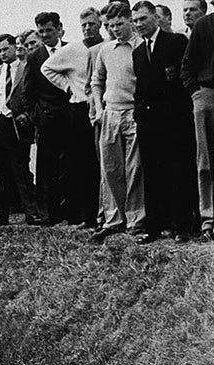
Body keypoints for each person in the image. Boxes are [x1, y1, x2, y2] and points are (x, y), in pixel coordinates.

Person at [132, 0, 195, 243]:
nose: (139, 25)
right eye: (136, 20)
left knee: (178, 171)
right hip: (148, 122)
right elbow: (140, 87)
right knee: (152, 173)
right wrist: (139, 111)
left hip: (174, 120)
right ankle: (154, 227)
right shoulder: (138, 52)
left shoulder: (176, 42)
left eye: (143, 19)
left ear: (156, 18)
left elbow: (182, 79)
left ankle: (180, 227)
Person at [41, 7, 106, 228]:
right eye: (84, 25)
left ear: (100, 24)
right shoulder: (73, 49)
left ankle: (109, 214)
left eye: (92, 24)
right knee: (82, 166)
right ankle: (87, 216)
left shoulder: (107, 47)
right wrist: (68, 87)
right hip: (79, 111)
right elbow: (47, 68)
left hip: (103, 109)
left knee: (105, 164)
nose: (88, 28)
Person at [90, 2, 146, 243]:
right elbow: (96, 81)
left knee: (134, 169)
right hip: (110, 114)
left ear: (130, 21)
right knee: (111, 169)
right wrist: (99, 108)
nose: (115, 29)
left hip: (133, 113)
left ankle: (136, 220)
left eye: (120, 24)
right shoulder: (105, 50)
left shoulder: (142, 47)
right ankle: (114, 220)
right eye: (111, 26)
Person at [0, 34, 40, 225]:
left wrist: (27, 116)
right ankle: (1, 215)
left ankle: (31, 213)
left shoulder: (26, 68)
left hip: (17, 126)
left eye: (6, 49)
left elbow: (34, 96)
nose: (3, 53)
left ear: (14, 47)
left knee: (21, 171)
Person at [181, 0, 214, 240]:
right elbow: (187, 65)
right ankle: (207, 221)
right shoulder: (202, 26)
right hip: (205, 97)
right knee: (205, 162)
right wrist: (196, 93)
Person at [17, 12, 71, 226]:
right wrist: (37, 117)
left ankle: (72, 211)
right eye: (41, 32)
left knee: (70, 165)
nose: (46, 35)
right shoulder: (35, 56)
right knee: (47, 169)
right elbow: (27, 94)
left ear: (59, 28)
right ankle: (49, 214)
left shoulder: (71, 50)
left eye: (49, 30)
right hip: (46, 121)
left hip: (71, 118)